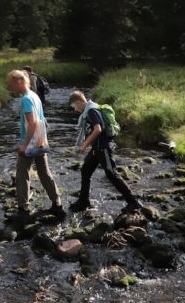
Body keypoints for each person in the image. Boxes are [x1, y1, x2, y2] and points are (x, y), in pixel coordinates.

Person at [7, 70, 65, 223]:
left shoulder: (26, 99)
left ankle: (23, 210)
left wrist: (24, 145)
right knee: (44, 172)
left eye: (10, 83)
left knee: (22, 174)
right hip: (40, 139)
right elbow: (42, 119)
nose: (9, 86)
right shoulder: (35, 95)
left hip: (31, 142)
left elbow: (32, 123)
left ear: (19, 81)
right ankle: (57, 204)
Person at [68, 90, 141, 213]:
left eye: (74, 106)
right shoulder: (90, 109)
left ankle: (133, 202)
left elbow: (98, 129)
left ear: (80, 102)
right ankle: (83, 201)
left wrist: (85, 144)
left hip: (103, 148)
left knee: (112, 174)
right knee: (85, 170)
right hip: (96, 149)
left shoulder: (91, 110)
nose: (75, 110)